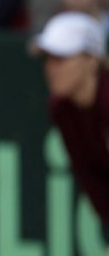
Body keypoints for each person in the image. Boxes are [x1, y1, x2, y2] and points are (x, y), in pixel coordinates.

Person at [36, 11, 109, 223]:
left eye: (61, 58)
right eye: (48, 59)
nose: (51, 68)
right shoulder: (61, 110)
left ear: (92, 61)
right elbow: (90, 175)